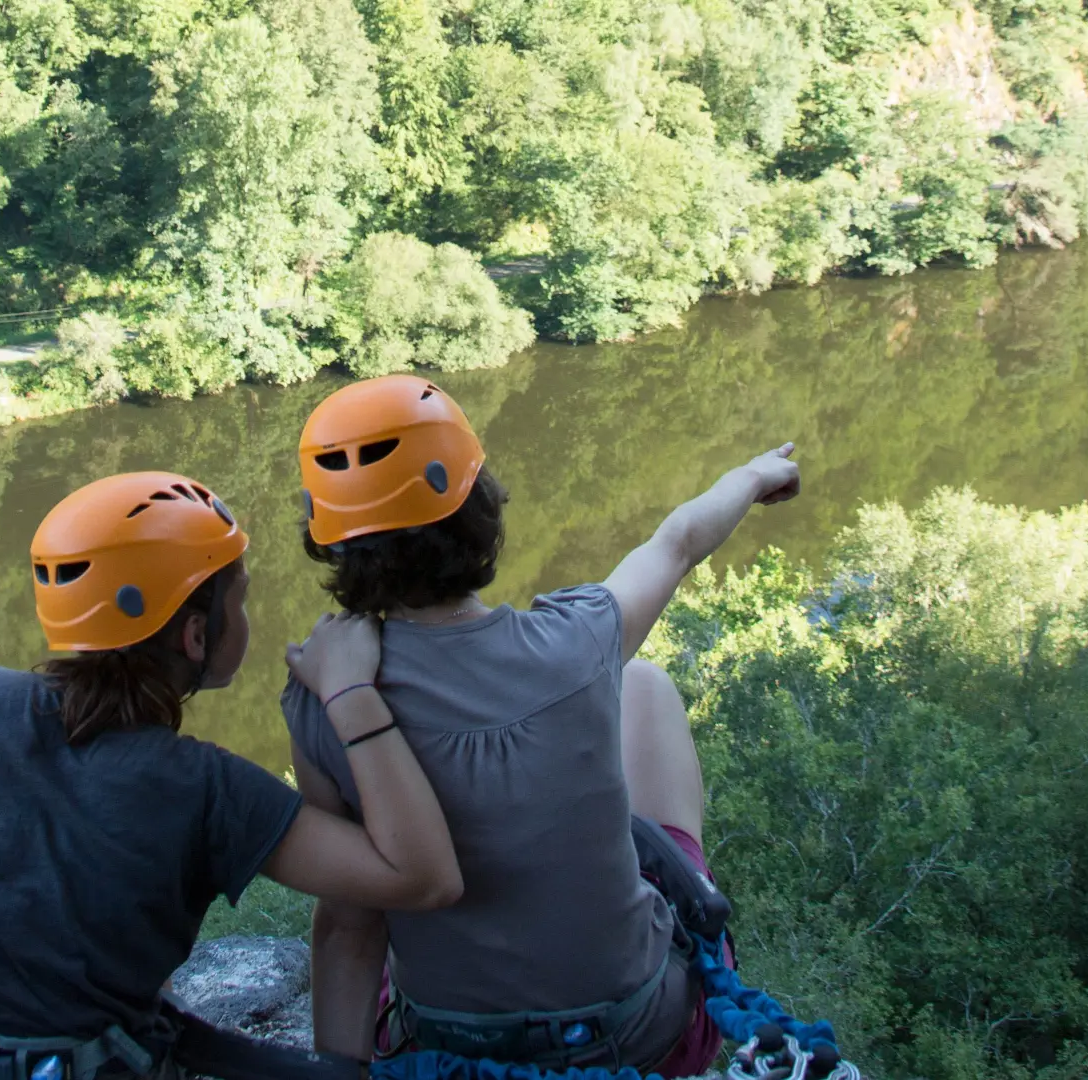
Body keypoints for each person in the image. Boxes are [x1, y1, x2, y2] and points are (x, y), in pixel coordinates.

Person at [0, 471, 462, 1080]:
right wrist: (348, 693)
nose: (244, 618)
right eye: (238, 601)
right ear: (193, 636)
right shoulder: (204, 785)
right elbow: (421, 876)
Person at [281, 375, 801, 1076]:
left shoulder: (324, 700)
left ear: (330, 542)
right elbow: (677, 543)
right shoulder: (579, 640)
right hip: (645, 1037)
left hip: (456, 1053)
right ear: (480, 507)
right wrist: (754, 474)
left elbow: (350, 921)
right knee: (642, 684)